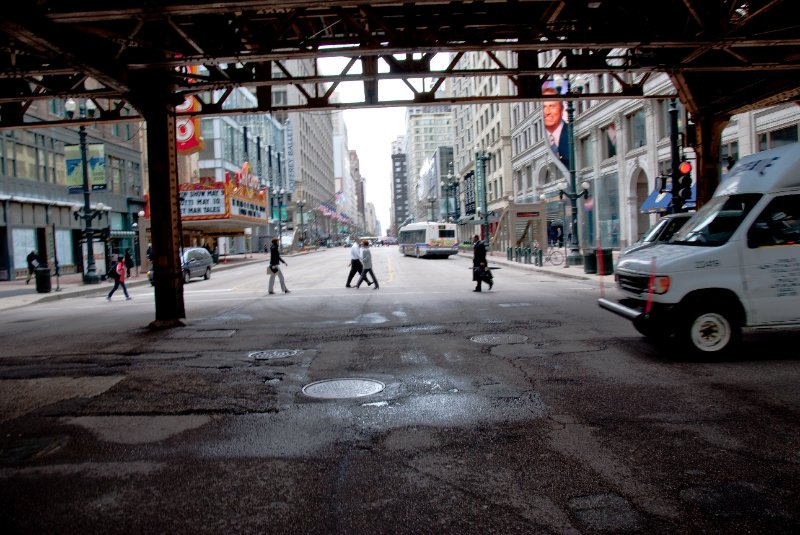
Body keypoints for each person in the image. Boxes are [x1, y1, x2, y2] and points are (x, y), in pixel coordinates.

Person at [542, 87, 571, 172]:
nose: (547, 112)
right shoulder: (542, 137)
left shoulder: (570, 133)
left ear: (561, 110)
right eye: (544, 107)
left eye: (552, 106)